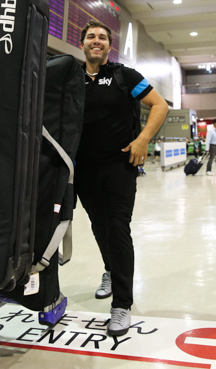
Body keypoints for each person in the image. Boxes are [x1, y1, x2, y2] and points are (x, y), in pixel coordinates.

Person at [74, 19, 168, 337]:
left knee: (117, 228)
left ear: (109, 46)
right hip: (83, 168)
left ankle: (121, 305)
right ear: (82, 43)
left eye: (102, 37)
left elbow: (159, 105)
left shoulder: (124, 76)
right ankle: (110, 272)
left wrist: (143, 140)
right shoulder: (71, 79)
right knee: (99, 226)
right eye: (91, 37)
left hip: (119, 165)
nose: (96, 41)